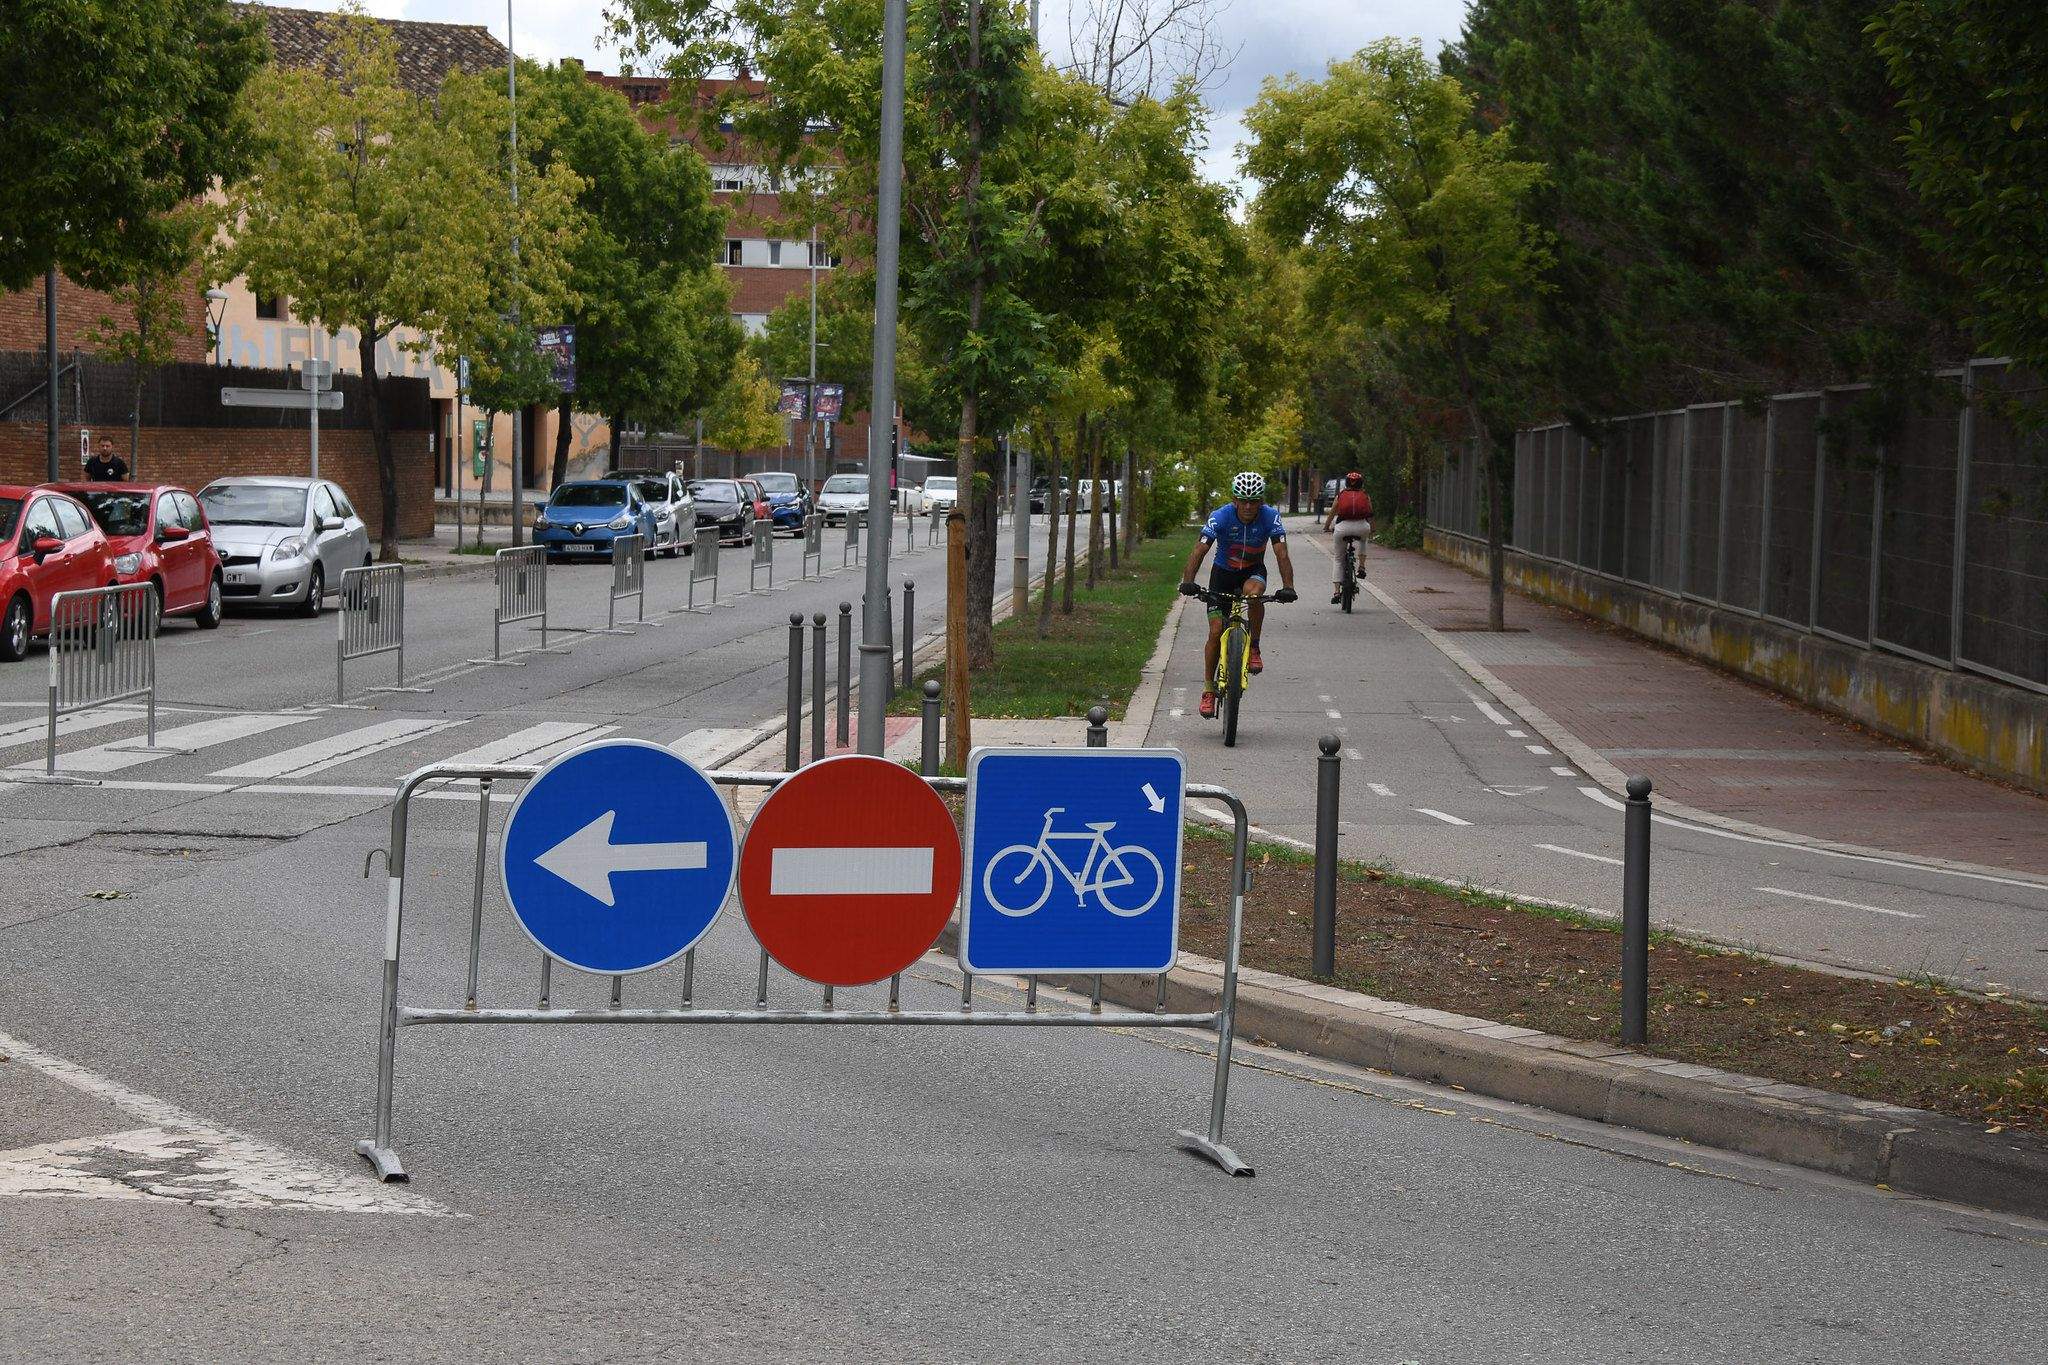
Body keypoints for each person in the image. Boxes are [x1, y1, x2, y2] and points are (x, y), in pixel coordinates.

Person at [1178, 470, 1297, 719]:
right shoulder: (1220, 517)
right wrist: (1187, 582)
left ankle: (1254, 647)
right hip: (1222, 574)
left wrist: (1289, 586)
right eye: (1242, 500)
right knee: (1214, 630)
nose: (1247, 506)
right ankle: (1208, 690)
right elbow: (1199, 550)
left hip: (1252, 572)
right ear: (1234, 499)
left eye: (1253, 501)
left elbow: (1281, 553)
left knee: (1254, 596)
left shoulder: (1270, 517)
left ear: (1261, 501)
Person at [1321, 471, 1373, 601]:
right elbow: (1370, 514)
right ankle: (1361, 566)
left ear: (1347, 483)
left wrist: (1326, 527)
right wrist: (1372, 529)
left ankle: (1337, 592)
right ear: (1361, 483)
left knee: (1338, 559)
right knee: (1363, 541)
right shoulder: (1365, 495)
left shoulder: (1341, 495)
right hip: (1362, 526)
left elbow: (1332, 514)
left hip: (1342, 528)